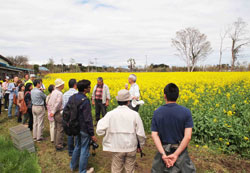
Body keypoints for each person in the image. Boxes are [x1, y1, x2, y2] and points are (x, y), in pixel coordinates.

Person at [96, 89, 146, 173]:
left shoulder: (110, 114)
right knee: (130, 169)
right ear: (129, 101)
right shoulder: (135, 115)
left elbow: (99, 130)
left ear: (117, 101)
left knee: (116, 169)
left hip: (117, 147)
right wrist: (140, 145)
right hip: (131, 147)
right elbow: (140, 133)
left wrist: (106, 134)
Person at [151, 83, 196, 173]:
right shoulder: (186, 112)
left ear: (165, 96)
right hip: (180, 151)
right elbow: (188, 137)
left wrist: (163, 154)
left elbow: (154, 135)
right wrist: (175, 155)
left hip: (163, 150)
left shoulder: (157, 112)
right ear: (177, 96)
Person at [68, 80, 96, 173]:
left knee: (77, 146)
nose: (90, 88)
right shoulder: (85, 101)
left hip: (75, 126)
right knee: (84, 148)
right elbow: (88, 119)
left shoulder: (72, 97)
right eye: (89, 86)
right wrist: (92, 133)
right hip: (83, 128)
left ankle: (72, 166)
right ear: (85, 89)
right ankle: (82, 171)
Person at [48, 78, 65, 150]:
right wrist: (53, 111)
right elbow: (57, 104)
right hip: (58, 112)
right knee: (60, 129)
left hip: (54, 113)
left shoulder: (53, 92)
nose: (64, 85)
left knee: (55, 128)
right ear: (60, 85)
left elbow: (50, 102)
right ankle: (59, 145)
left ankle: (57, 142)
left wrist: (52, 111)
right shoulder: (59, 93)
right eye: (63, 84)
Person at [63, 79, 78, 156]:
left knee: (69, 133)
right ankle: (76, 150)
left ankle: (70, 151)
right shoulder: (77, 94)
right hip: (75, 116)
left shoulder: (65, 94)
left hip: (68, 116)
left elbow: (64, 106)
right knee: (76, 133)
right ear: (75, 85)